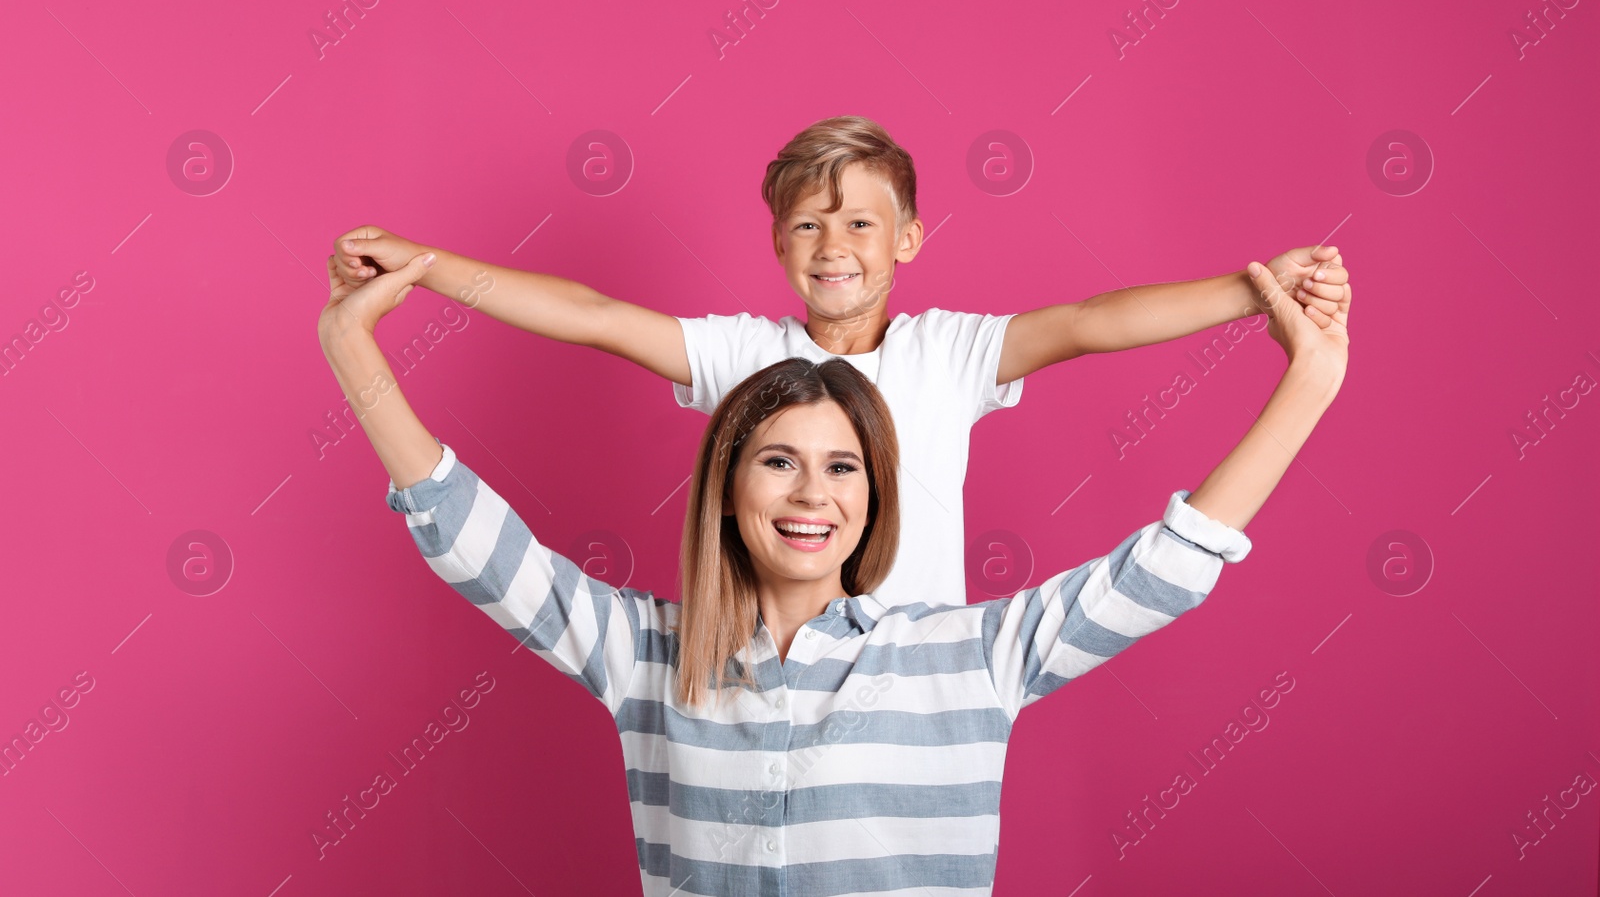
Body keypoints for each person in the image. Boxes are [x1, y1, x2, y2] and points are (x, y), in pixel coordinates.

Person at [317, 238, 1351, 895]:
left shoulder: (964, 656)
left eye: (841, 466)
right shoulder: (643, 651)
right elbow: (465, 533)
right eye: (778, 460)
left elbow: (1167, 563)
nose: (812, 492)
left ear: (872, 496)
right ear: (728, 484)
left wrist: (1310, 379)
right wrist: (352, 347)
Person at [327, 115, 1347, 607]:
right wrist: (419, 269)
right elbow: (592, 313)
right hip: (764, 664)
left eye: (860, 221)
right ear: (778, 245)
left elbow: (1088, 319)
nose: (832, 244)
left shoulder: (951, 350)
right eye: (807, 224)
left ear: (905, 240)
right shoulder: (742, 353)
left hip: (916, 673)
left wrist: (1254, 287)